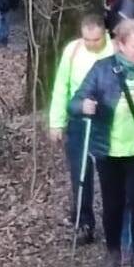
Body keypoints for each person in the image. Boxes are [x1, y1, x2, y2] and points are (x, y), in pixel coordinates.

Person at [69, 20, 134, 267]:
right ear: (121, 45)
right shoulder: (103, 69)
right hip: (108, 148)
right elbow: (74, 102)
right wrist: (84, 106)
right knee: (113, 203)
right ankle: (113, 251)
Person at [49, 15, 116, 244]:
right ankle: (84, 222)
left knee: (110, 174)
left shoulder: (116, 49)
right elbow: (62, 85)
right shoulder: (73, 50)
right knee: (80, 173)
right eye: (87, 39)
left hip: (109, 121)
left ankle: (114, 224)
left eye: (96, 39)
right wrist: (56, 122)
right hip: (79, 119)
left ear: (104, 34)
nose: (91, 44)